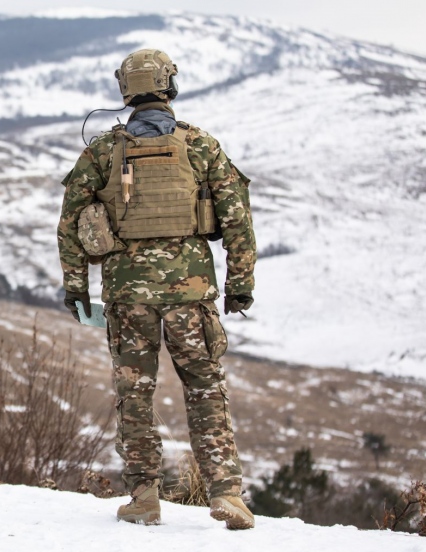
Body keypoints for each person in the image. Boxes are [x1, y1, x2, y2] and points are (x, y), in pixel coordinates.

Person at [57, 49, 257, 529]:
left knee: (135, 394)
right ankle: (228, 493)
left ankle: (144, 495)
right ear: (170, 85)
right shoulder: (201, 145)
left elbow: (70, 224)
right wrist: (240, 285)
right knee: (206, 387)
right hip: (192, 295)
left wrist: (76, 286)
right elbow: (237, 219)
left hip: (128, 299)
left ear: (126, 89)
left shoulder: (104, 151)